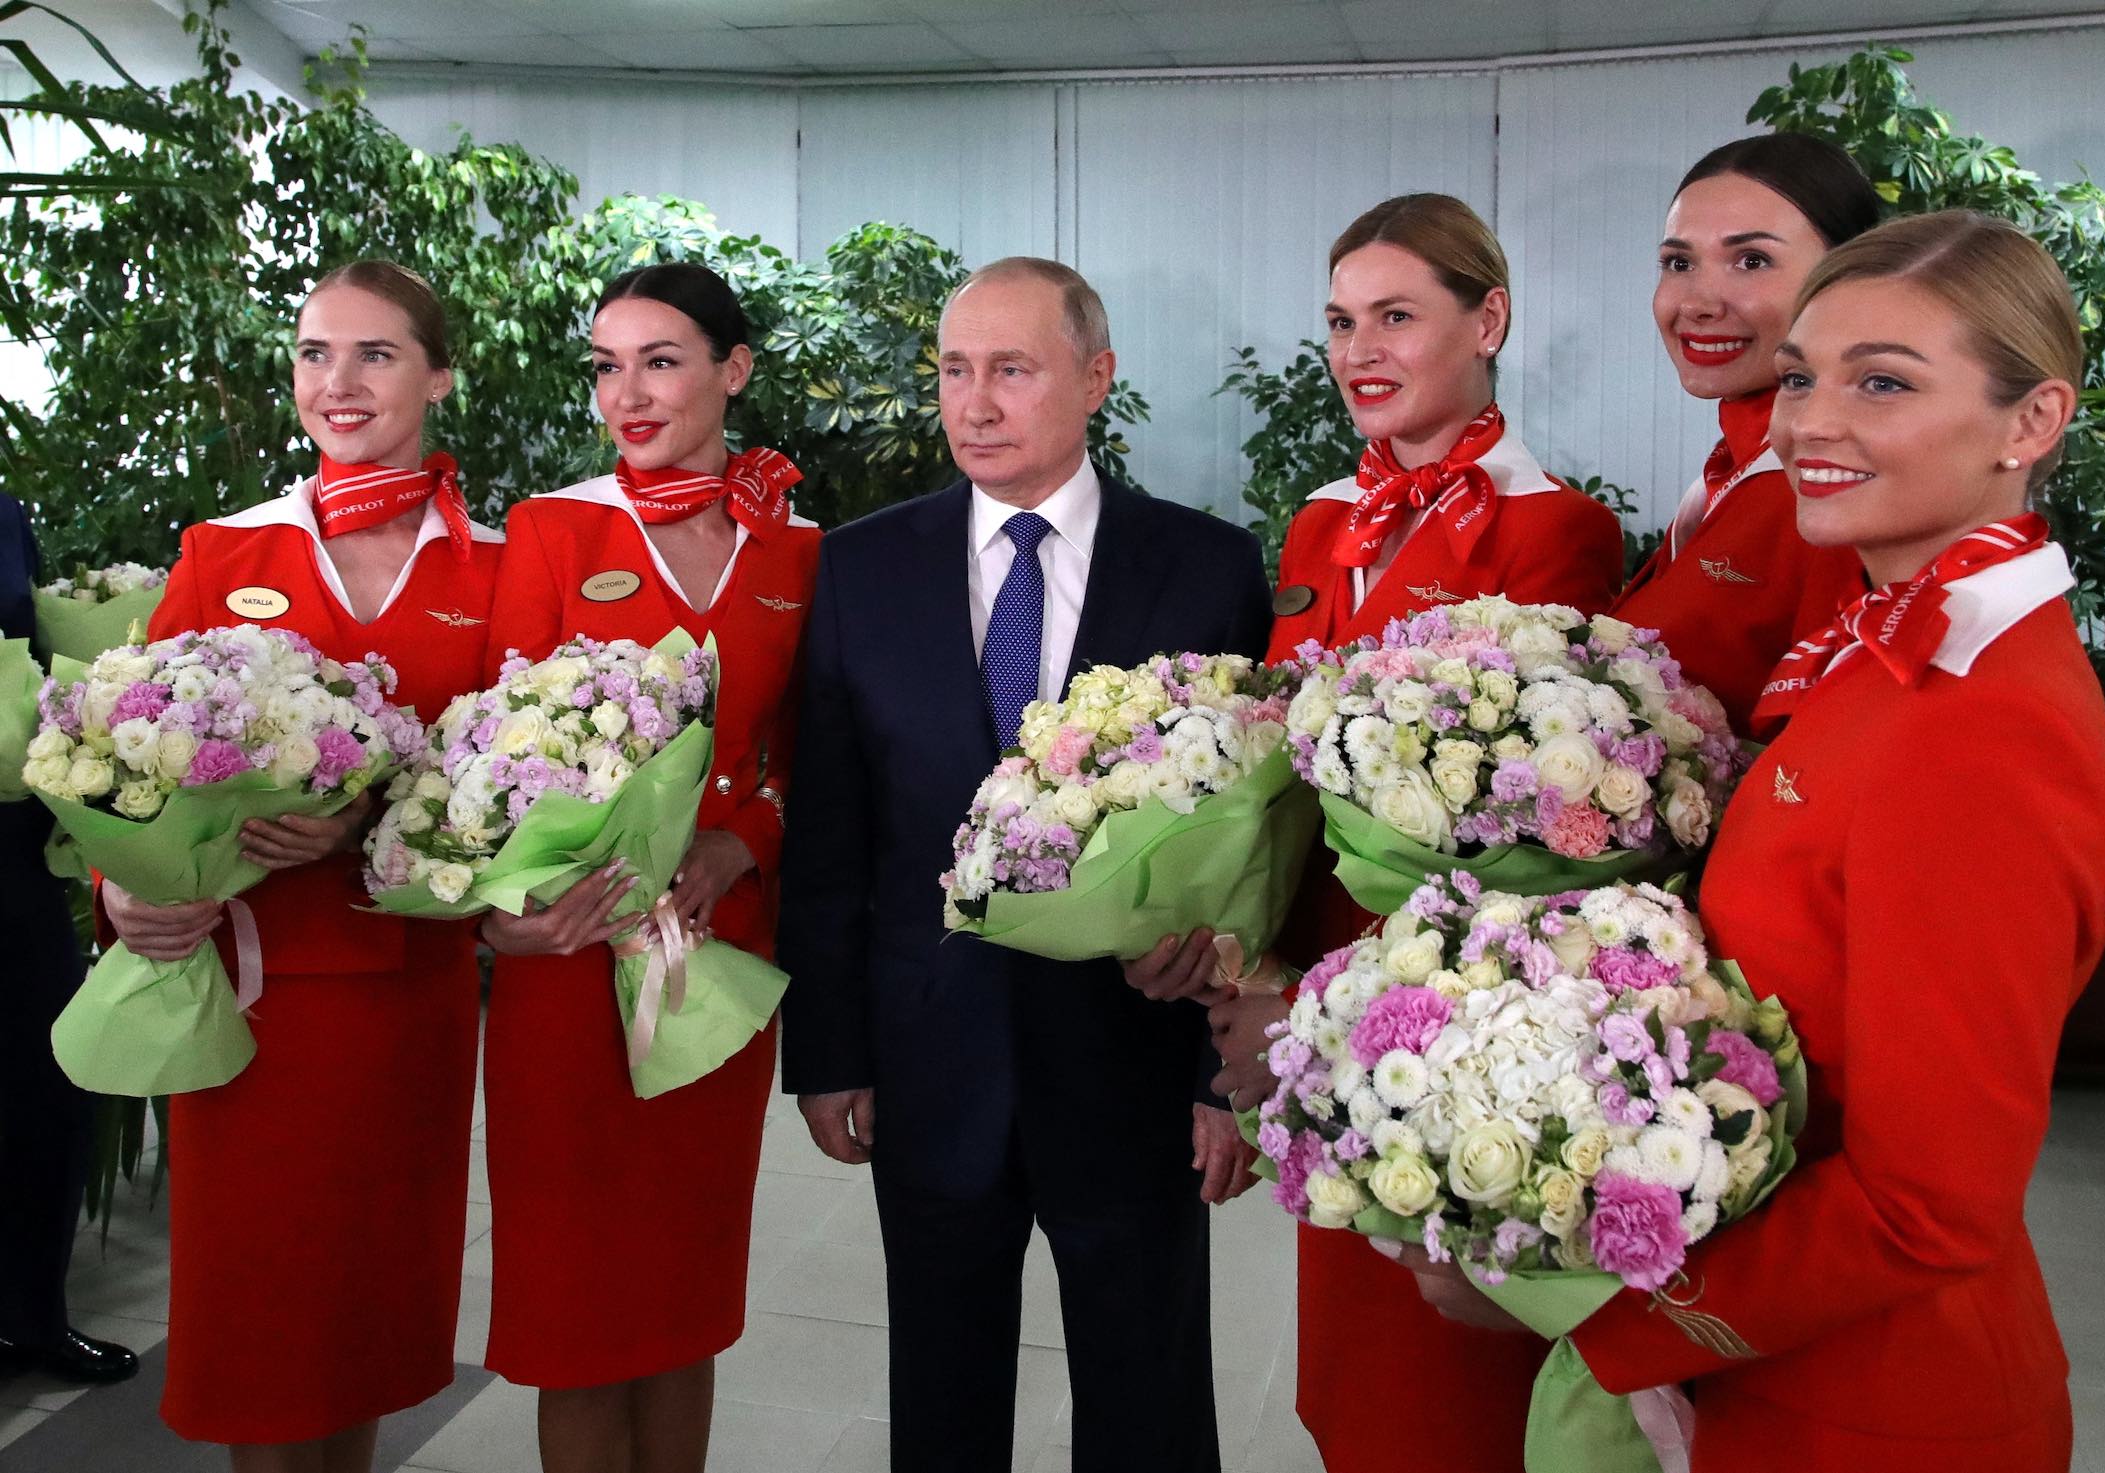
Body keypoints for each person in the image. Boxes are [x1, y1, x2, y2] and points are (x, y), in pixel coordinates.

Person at [1397, 210, 2105, 1473]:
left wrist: (1606, 1313)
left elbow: (1929, 1205)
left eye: (1881, 382)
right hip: (1776, 1384)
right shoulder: (1889, 648)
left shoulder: (1982, 726)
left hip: (1872, 1410)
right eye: (1800, 376)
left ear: (2031, 423)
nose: (1808, 423)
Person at [777, 257, 1271, 1473]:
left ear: (1096, 379)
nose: (974, 404)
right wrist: (830, 1055)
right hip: (930, 1052)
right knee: (939, 1395)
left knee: (1147, 1393)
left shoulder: (1204, 567)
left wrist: (1226, 1077)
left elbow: (1257, 842)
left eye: (1011, 369)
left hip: (1133, 1059)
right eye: (954, 370)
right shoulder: (860, 568)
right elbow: (835, 835)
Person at [1196, 192, 1623, 1473]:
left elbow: (1536, 840)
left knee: (1444, 1394)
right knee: (1350, 1376)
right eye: (1339, 321)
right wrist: (1236, 951)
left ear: (1487, 318)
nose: (1359, 349)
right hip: (1308, 999)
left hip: (1448, 1021)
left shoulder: (1555, 530)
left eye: (1397, 315)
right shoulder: (1327, 520)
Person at [103, 261, 501, 1471]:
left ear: (437, 374)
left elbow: (506, 785)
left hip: (411, 1003)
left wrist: (368, 820)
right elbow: (127, 761)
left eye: (377, 354)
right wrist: (127, 887)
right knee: (262, 1325)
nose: (340, 382)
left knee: (368, 1315)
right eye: (315, 353)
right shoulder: (226, 551)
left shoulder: (493, 563)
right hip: (253, 1003)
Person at [479, 261, 815, 1473]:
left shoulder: (798, 549)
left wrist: (741, 841)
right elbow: (494, 751)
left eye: (661, 360)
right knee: (574, 1315)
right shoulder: (554, 528)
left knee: (681, 1301)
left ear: (733, 370)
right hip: (570, 959)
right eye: (606, 365)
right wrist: (505, 909)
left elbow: (803, 759)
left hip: (717, 961)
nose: (628, 391)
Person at [1609, 134, 1877, 736]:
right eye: (1679, 263)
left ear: (1847, 276)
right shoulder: (1736, 464)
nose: (1698, 302)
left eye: (1751, 260)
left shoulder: (1838, 491)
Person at [0, 496, 131, 1390]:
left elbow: (37, 647)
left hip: (11, 851)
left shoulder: (4, 513)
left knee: (47, 1090)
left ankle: (31, 1318)